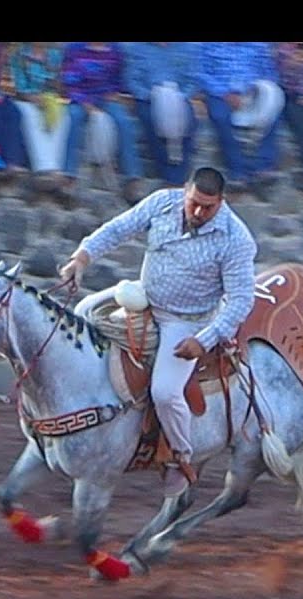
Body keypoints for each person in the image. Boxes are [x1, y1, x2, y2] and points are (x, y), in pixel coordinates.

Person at [59, 167, 257, 496]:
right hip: (144, 296)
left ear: (222, 202)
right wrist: (81, 258)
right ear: (184, 191)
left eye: (207, 207)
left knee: (165, 392)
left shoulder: (237, 240)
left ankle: (179, 456)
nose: (198, 212)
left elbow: (240, 302)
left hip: (186, 319)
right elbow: (119, 228)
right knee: (80, 314)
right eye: (194, 203)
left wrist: (203, 340)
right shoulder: (161, 203)